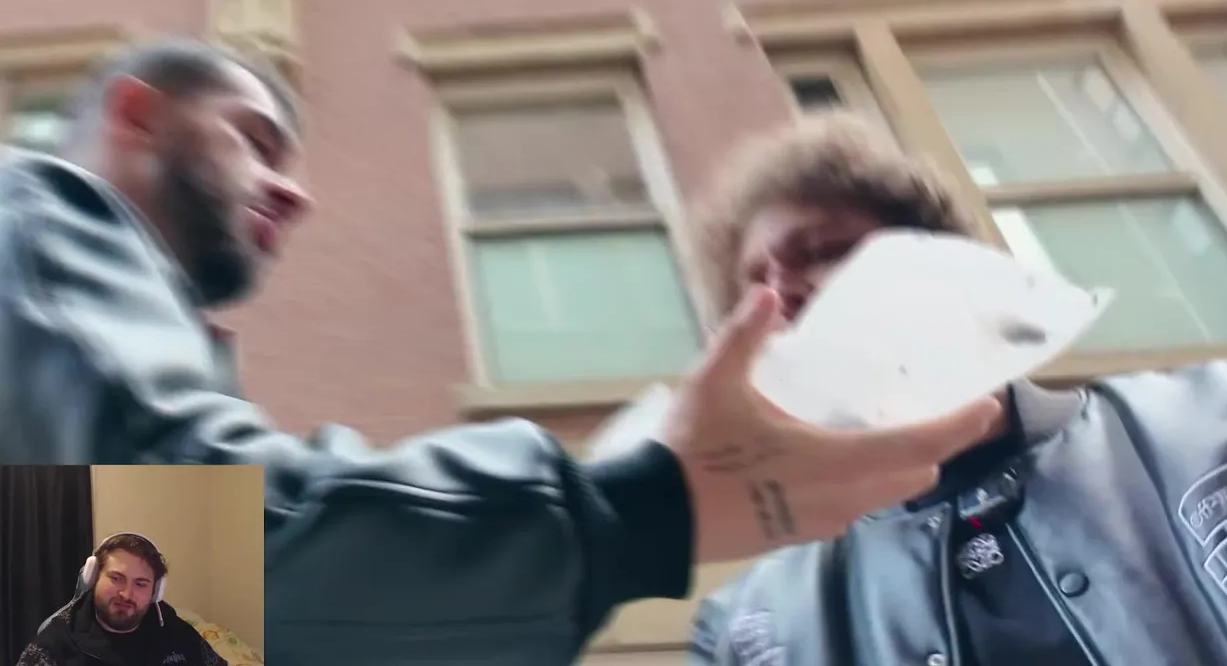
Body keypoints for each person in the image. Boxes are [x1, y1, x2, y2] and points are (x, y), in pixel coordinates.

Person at [0, 39, 1002, 665]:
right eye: (254, 139)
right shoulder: (37, 209)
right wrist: (641, 507)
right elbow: (178, 536)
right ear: (137, 115)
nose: (295, 192)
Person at [687, 112, 1227, 665]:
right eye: (752, 286)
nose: (776, 296)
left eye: (821, 252)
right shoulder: (752, 631)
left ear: (949, 270)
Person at [17, 533, 227, 666]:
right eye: (116, 578)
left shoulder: (175, 631)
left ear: (155, 592)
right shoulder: (55, 643)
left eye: (141, 583)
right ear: (93, 578)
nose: (126, 594)